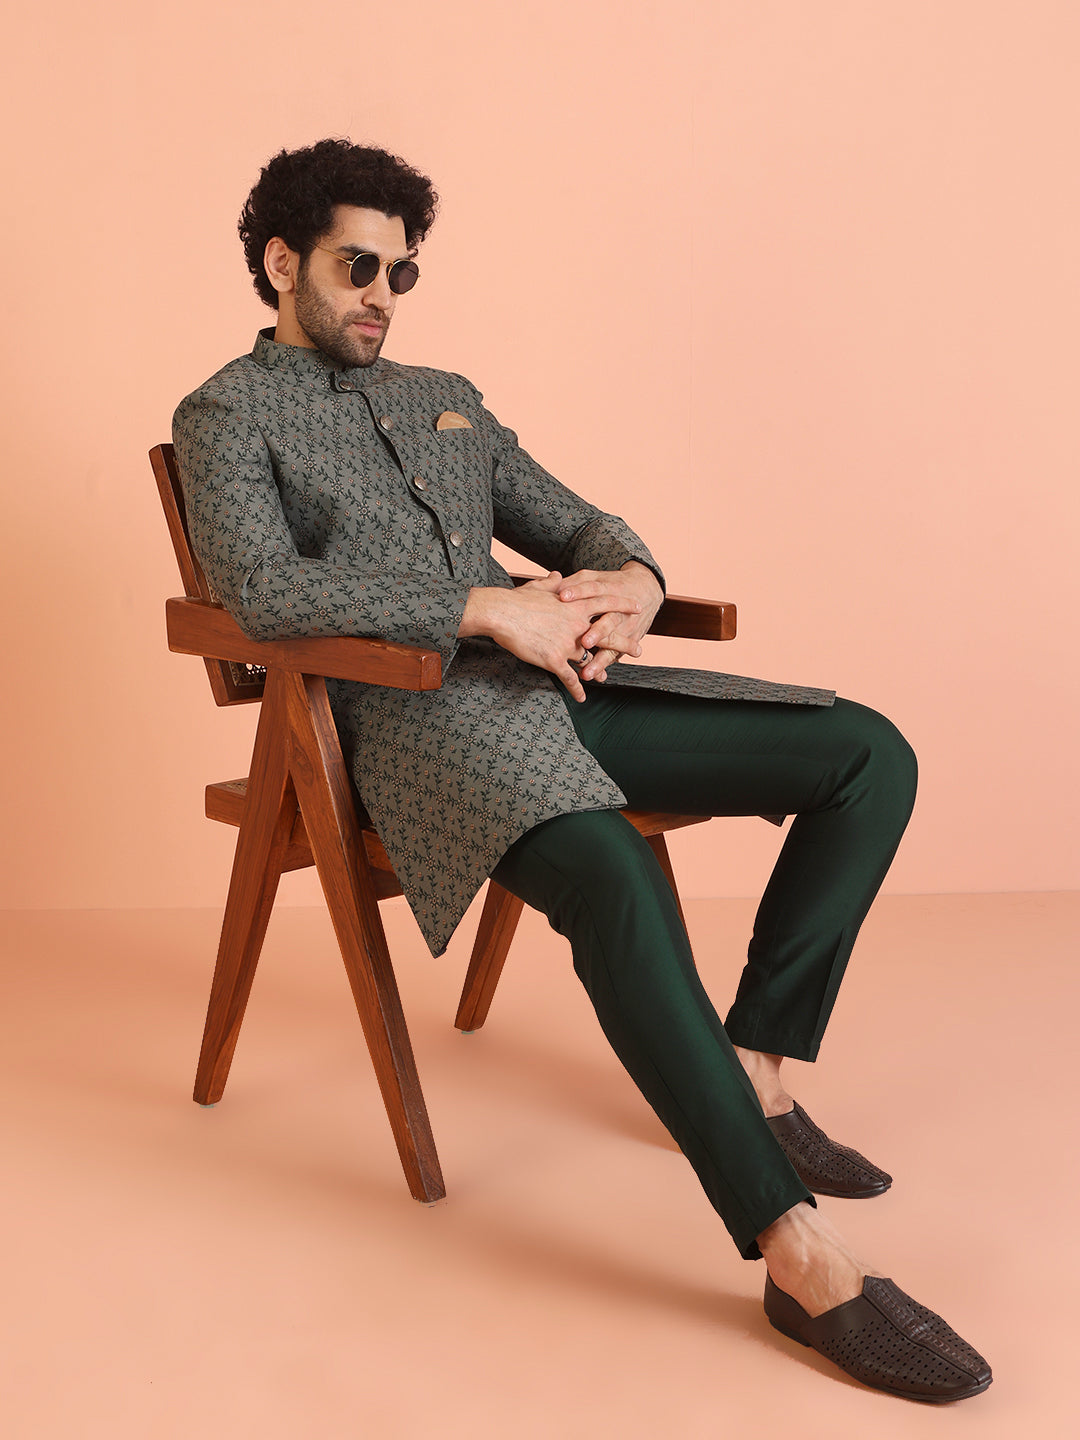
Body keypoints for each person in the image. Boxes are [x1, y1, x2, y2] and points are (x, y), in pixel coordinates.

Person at [172, 139, 991, 1402]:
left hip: (567, 694)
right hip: (417, 730)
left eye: (402, 271)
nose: (384, 293)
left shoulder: (446, 394)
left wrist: (638, 579)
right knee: (609, 869)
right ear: (283, 263)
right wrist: (484, 608)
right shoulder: (226, 412)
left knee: (867, 754)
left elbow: (578, 522)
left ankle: (755, 1073)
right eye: (356, 266)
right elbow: (262, 592)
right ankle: (797, 1254)